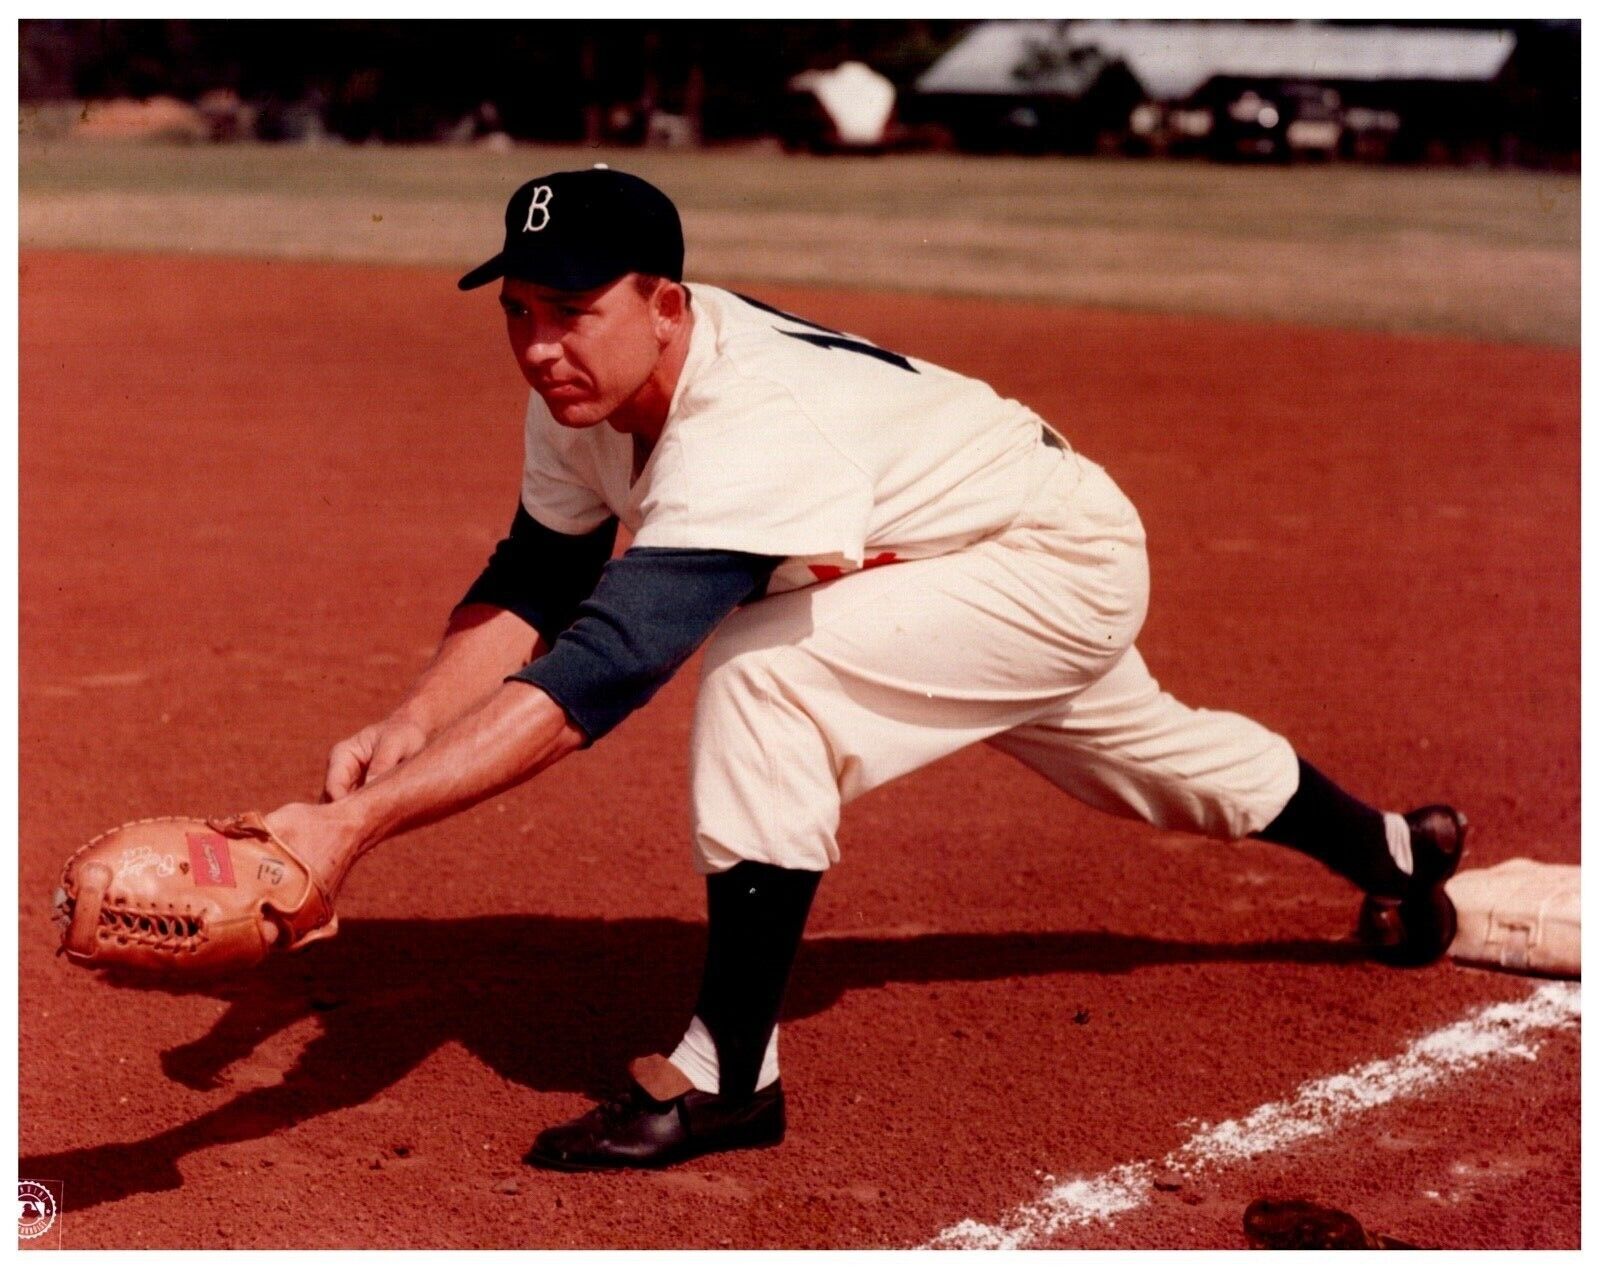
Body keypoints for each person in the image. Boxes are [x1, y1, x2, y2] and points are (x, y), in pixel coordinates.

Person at [263, 167, 1466, 1172]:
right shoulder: (585, 388)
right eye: (516, 310)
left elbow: (609, 665)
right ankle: (1401, 856)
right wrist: (416, 717)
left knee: (763, 677)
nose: (536, 346)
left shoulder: (746, 415)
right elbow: (537, 574)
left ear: (667, 305)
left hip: (1043, 557)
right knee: (1155, 763)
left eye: (570, 309)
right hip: (947, 551)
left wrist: (359, 826)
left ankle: (730, 1077)